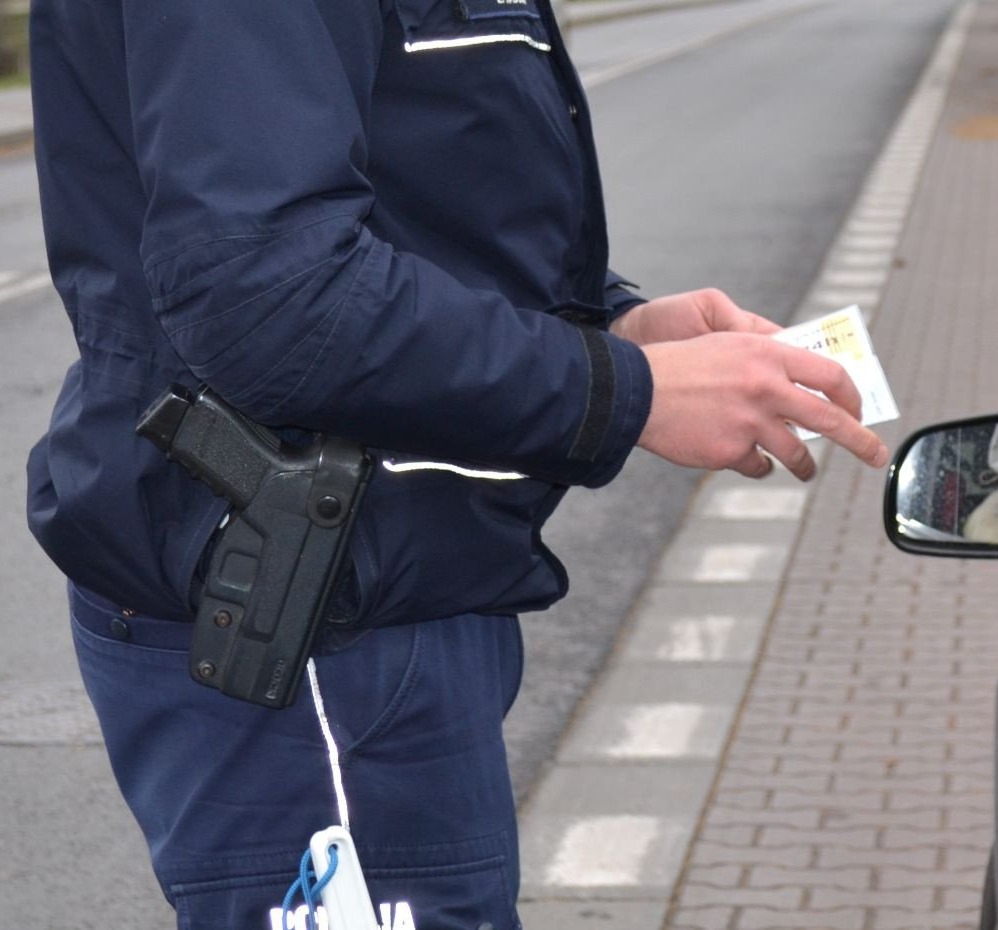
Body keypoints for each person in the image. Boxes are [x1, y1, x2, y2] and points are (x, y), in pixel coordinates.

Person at [23, 0, 889, 926]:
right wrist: (626, 391)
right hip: (304, 619)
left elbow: (418, 189)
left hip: (376, 591)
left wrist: (610, 325)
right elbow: (266, 296)